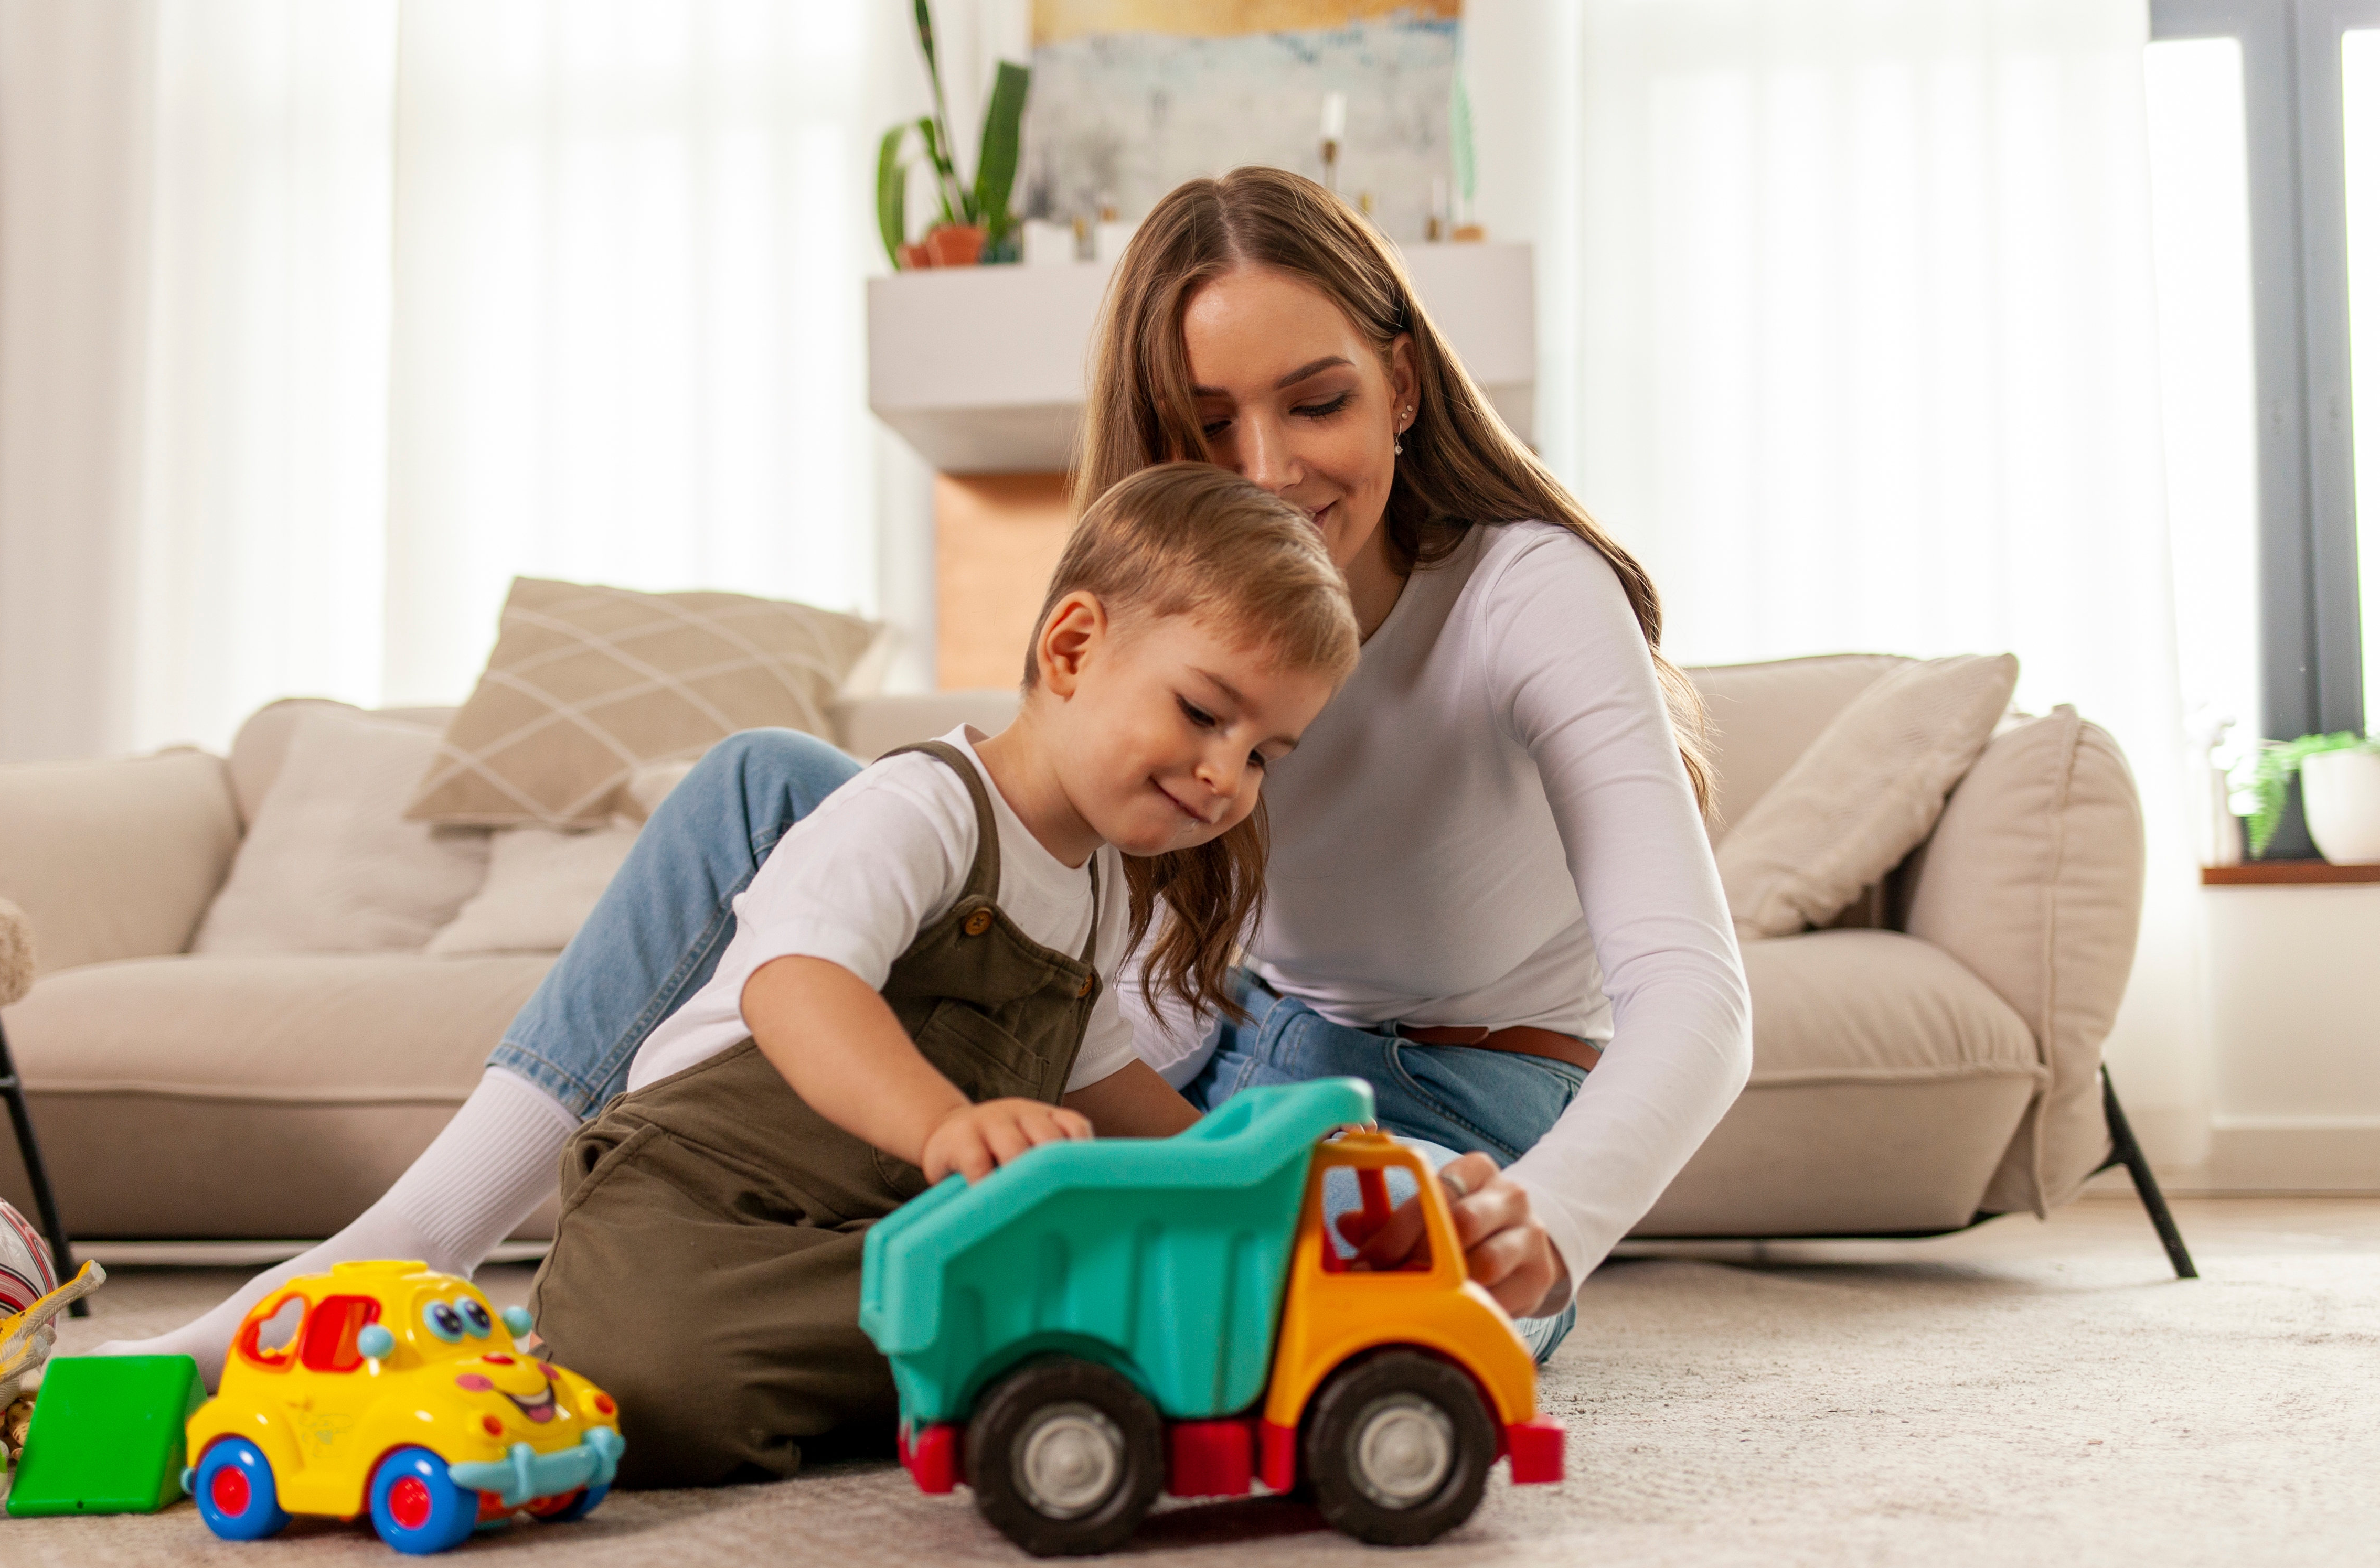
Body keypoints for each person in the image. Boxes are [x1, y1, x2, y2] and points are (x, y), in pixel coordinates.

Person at [108, 167, 1751, 1441]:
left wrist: (1545, 1223)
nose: (1267, 471)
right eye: (1203, 427)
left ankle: (807, 1333)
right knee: (765, 784)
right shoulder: (1157, 637)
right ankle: (396, 1249)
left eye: (1313, 401)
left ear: (1401, 384)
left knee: (1334, 1352)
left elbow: (1696, 1002)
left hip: (1450, 1110)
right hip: (1218, 1054)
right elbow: (1024, 877)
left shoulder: (1526, 594)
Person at [526, 463, 1354, 1484]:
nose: (1227, 776)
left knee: (1083, 1305)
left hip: (873, 1232)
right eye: (1201, 713)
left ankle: (925, 1380)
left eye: (1266, 753)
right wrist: (940, 1124)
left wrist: (1243, 1174)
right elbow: (795, 985)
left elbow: (1098, 1080)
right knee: (646, 1391)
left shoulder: (1095, 890)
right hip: (698, 1205)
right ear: (1073, 647)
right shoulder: (919, 807)